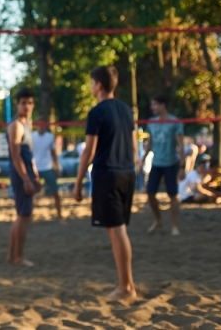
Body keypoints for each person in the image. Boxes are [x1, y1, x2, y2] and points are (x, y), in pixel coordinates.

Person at [74, 66, 137, 301]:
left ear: (99, 85)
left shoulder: (97, 112)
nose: (91, 87)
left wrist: (78, 183)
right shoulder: (125, 109)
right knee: (119, 230)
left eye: (92, 82)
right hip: (127, 173)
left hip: (107, 175)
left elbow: (88, 151)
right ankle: (127, 283)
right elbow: (132, 147)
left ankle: (126, 286)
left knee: (117, 231)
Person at [7, 88, 39, 266]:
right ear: (17, 104)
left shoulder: (27, 125)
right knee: (23, 215)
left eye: (29, 102)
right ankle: (18, 257)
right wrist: (26, 179)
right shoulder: (16, 126)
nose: (26, 106)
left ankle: (12, 256)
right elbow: (16, 156)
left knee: (21, 215)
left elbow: (29, 155)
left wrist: (34, 175)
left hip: (26, 173)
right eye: (23, 103)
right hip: (20, 174)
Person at [146, 94, 184, 235]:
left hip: (171, 163)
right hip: (156, 163)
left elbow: (180, 144)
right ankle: (158, 220)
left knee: (172, 195)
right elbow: (150, 141)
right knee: (150, 193)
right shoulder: (151, 121)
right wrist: (143, 159)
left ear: (163, 105)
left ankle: (174, 226)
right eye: (152, 104)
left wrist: (182, 166)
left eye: (155, 104)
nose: (152, 107)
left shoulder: (175, 122)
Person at [33, 123, 62, 219]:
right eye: (39, 124)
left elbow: (53, 154)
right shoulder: (32, 136)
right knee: (30, 193)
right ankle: (29, 215)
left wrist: (57, 167)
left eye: (43, 124)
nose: (41, 126)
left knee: (55, 191)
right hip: (35, 168)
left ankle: (59, 214)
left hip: (47, 167)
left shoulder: (50, 137)